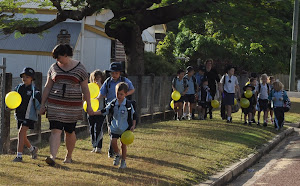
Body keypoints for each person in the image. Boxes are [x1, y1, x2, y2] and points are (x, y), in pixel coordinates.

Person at [40, 44, 94, 166]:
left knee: (69, 131)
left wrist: (89, 105)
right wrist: (43, 104)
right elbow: (48, 86)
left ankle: (68, 156)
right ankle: (52, 157)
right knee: (55, 130)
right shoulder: (53, 67)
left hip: (72, 106)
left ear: (66, 55)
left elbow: (85, 88)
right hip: (55, 104)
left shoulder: (80, 68)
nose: (57, 60)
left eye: (58, 57)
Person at [97, 62, 135, 158]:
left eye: (116, 73)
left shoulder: (125, 81)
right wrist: (97, 99)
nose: (114, 75)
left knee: (120, 128)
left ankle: (120, 149)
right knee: (111, 129)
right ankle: (112, 150)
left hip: (122, 107)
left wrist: (125, 94)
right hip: (110, 108)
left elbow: (132, 89)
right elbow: (102, 92)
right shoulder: (108, 82)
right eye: (112, 73)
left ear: (120, 73)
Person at [95, 82, 136, 169]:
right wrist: (94, 112)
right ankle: (117, 154)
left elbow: (134, 115)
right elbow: (105, 110)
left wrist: (133, 125)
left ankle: (123, 161)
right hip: (115, 128)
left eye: (121, 94)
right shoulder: (113, 103)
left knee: (123, 145)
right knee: (113, 141)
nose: (119, 95)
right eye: (117, 93)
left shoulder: (128, 105)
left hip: (125, 129)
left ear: (125, 94)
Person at [12, 67, 41, 162]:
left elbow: (39, 103)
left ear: (32, 78)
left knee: (20, 133)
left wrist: (42, 110)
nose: (24, 78)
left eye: (27, 77)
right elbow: (13, 98)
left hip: (29, 116)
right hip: (19, 115)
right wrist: (9, 106)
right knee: (22, 136)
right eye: (23, 76)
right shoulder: (19, 88)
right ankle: (33, 149)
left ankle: (19, 156)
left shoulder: (34, 91)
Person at [88, 70, 106, 153]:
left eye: (99, 78)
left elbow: (106, 95)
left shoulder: (104, 87)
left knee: (98, 128)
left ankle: (99, 146)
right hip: (91, 110)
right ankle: (94, 145)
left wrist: (100, 86)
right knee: (92, 128)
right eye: (95, 78)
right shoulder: (90, 87)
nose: (97, 80)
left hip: (100, 110)